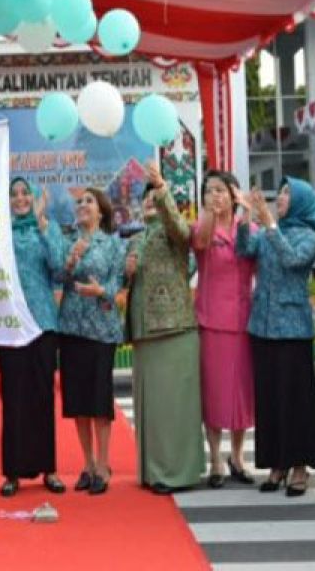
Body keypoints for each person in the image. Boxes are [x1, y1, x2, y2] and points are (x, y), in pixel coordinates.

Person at [236, 178, 315, 496]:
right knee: (270, 398)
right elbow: (244, 249)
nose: (281, 197)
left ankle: (300, 465)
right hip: (262, 325)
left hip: (293, 327)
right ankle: (276, 463)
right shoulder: (267, 231)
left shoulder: (309, 235)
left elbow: (293, 260)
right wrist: (246, 216)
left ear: (301, 200)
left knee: (296, 399)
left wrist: (270, 224)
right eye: (281, 192)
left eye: (288, 193)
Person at [125, 161, 204, 494]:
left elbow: (181, 230)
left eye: (151, 198)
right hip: (145, 332)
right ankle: (153, 471)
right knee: (153, 410)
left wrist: (162, 190)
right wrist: (126, 272)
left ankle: (177, 473)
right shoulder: (137, 239)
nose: (148, 203)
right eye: (144, 198)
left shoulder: (173, 233)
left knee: (174, 406)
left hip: (173, 328)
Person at [0, 178, 65, 497]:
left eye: (25, 193)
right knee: (13, 398)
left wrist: (41, 223)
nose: (21, 198)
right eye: (14, 194)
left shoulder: (46, 227)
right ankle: (12, 472)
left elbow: (59, 268)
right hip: (11, 325)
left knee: (42, 398)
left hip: (42, 323)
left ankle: (49, 470)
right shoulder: (0, 233)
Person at [191, 170, 256, 488]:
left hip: (243, 319)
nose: (215, 195)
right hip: (212, 319)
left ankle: (238, 454)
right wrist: (208, 212)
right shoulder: (203, 227)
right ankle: (215, 457)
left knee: (241, 393)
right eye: (209, 190)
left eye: (220, 190)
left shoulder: (247, 228)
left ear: (233, 194)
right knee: (215, 390)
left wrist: (246, 213)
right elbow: (200, 242)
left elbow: (257, 260)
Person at [58, 186, 124, 495]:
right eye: (79, 202)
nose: (83, 205)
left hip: (101, 329)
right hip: (72, 327)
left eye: (89, 201)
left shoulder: (112, 244)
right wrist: (70, 262)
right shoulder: (68, 240)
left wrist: (101, 292)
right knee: (79, 400)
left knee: (99, 399)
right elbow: (58, 277)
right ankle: (86, 463)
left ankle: (103, 463)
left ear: (101, 211)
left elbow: (118, 284)